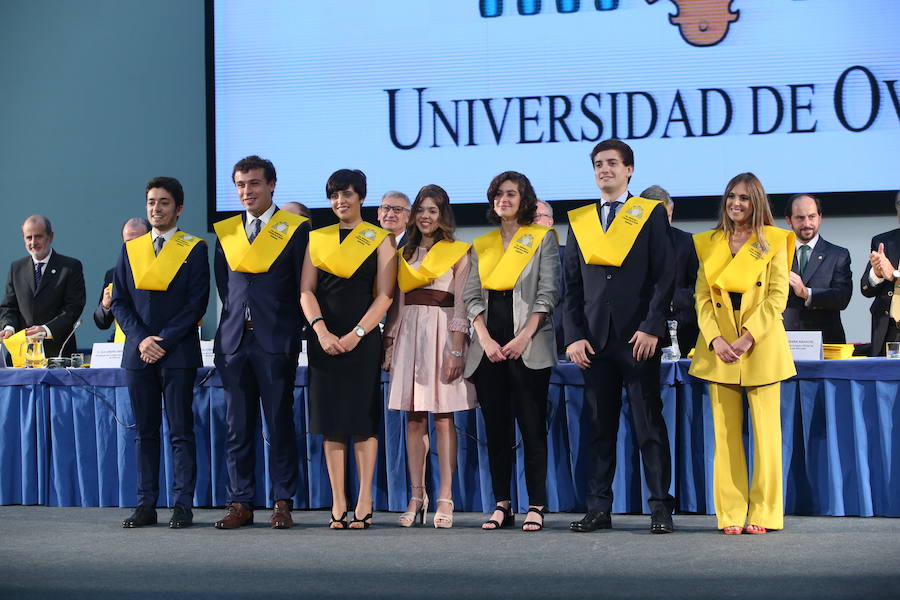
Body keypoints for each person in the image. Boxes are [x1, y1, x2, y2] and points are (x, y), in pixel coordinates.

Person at [563, 139, 676, 534]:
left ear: (629, 169)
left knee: (648, 427)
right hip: (593, 342)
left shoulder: (648, 215)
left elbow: (665, 276)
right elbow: (571, 286)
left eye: (612, 163)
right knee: (598, 428)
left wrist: (651, 327)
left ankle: (660, 508)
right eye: (598, 164)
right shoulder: (580, 220)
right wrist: (573, 337)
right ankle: (598, 508)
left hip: (637, 340)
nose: (604, 170)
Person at [689, 172, 795, 535]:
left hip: (760, 346)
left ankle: (764, 513)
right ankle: (730, 513)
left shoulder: (775, 241)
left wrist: (747, 338)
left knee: (766, 437)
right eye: (732, 196)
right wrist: (716, 338)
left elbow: (778, 296)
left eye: (745, 198)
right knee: (726, 437)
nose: (737, 203)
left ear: (757, 202)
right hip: (719, 348)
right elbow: (702, 297)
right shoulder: (709, 242)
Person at [212, 155, 310, 529]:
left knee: (279, 424)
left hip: (276, 341)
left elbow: (303, 285)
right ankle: (240, 502)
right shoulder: (228, 232)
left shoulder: (294, 229)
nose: (246, 191)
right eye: (240, 184)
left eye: (253, 183)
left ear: (271, 185)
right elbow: (226, 286)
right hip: (235, 342)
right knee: (238, 427)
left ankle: (282, 501)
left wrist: (290, 330)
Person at [463, 171, 560, 532]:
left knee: (532, 428)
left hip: (528, 346)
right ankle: (502, 503)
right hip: (489, 350)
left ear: (525, 200)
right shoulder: (482, 243)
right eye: (498, 194)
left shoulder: (542, 238)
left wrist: (523, 336)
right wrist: (485, 339)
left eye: (511, 194)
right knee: (496, 430)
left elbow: (548, 293)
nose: (504, 199)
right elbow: (471, 298)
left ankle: (536, 504)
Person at [111, 177, 209, 529]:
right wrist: (141, 339)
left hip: (178, 352)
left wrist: (163, 341)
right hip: (138, 354)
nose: (156, 208)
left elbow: (197, 302)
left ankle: (182, 504)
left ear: (179, 208)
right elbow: (119, 301)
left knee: (181, 431)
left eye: (164, 202)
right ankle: (145, 504)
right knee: (145, 432)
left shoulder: (194, 248)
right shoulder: (130, 249)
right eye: (151, 201)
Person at [301, 169, 396, 529]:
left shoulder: (378, 238)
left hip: (363, 338)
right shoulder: (317, 238)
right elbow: (307, 290)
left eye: (347, 194)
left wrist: (357, 332)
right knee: (331, 422)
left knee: (362, 419)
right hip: (323, 340)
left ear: (361, 197)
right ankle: (338, 499)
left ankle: (364, 497)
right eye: (335, 195)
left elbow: (386, 294)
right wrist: (321, 331)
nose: (341, 201)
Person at [384, 184, 475, 528]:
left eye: (432, 210)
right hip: (410, 334)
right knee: (414, 418)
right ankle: (416, 495)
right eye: (421, 210)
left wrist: (456, 347)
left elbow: (463, 303)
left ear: (443, 215)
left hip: (442, 334)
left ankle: (445, 496)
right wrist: (390, 342)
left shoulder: (458, 251)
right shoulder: (403, 252)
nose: (425, 216)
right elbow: (398, 302)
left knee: (442, 418)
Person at [0, 215, 86, 358]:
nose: (33, 242)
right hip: (21, 353)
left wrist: (46, 330)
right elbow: (9, 307)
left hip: (58, 353)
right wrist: (9, 327)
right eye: (29, 238)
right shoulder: (16, 268)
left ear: (50, 237)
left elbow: (73, 308)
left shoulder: (70, 267)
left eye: (38, 236)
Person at [782, 194, 852, 343]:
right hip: (784, 341)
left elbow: (842, 298)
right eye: (800, 218)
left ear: (820, 218)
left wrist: (806, 293)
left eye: (812, 217)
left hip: (826, 340)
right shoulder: (777, 254)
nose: (807, 223)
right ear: (789, 220)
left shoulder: (838, 255)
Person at [640, 185, 699, 355]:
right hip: (638, 331)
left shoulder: (686, 242)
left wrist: (672, 300)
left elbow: (698, 287)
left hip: (679, 331)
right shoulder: (627, 245)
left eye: (666, 216)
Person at [94, 218, 151, 336]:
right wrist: (105, 306)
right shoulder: (113, 274)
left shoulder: (163, 270)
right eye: (129, 242)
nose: (134, 246)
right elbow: (102, 323)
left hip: (156, 344)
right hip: (123, 346)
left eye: (139, 241)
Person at [861, 189, 900, 356]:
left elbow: (892, 274)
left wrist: (894, 275)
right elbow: (866, 289)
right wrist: (876, 274)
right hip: (889, 333)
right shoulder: (884, 242)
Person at [534, 200, 567, 357]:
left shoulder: (566, 255)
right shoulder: (511, 260)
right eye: (528, 216)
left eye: (538, 216)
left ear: (550, 222)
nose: (532, 220)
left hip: (559, 343)